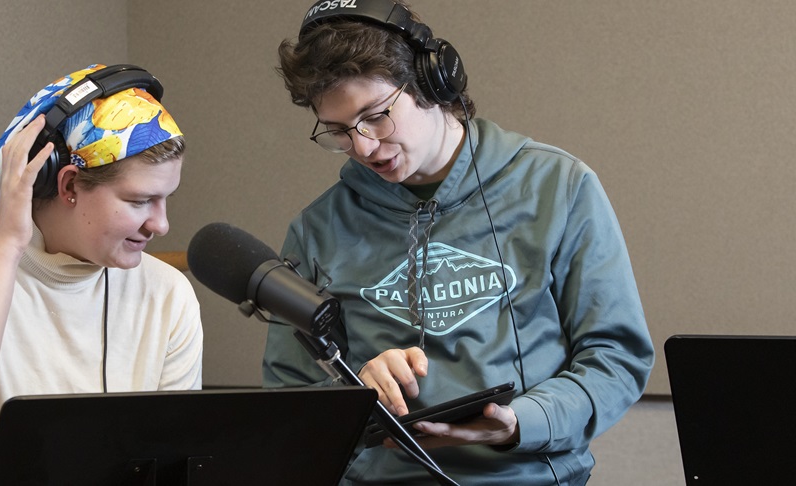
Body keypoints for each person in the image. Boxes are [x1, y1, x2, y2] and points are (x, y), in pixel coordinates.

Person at [260, 1, 654, 485]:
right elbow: (287, 397)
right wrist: (353, 391)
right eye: (340, 132)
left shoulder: (560, 187)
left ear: (431, 83)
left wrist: (522, 422)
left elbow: (616, 356)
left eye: (376, 116)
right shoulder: (316, 229)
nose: (362, 147)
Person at [0, 64, 203, 485]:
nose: (161, 224)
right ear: (67, 185)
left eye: (166, 200)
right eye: (141, 201)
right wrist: (7, 244)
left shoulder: (167, 295)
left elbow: (166, 465)